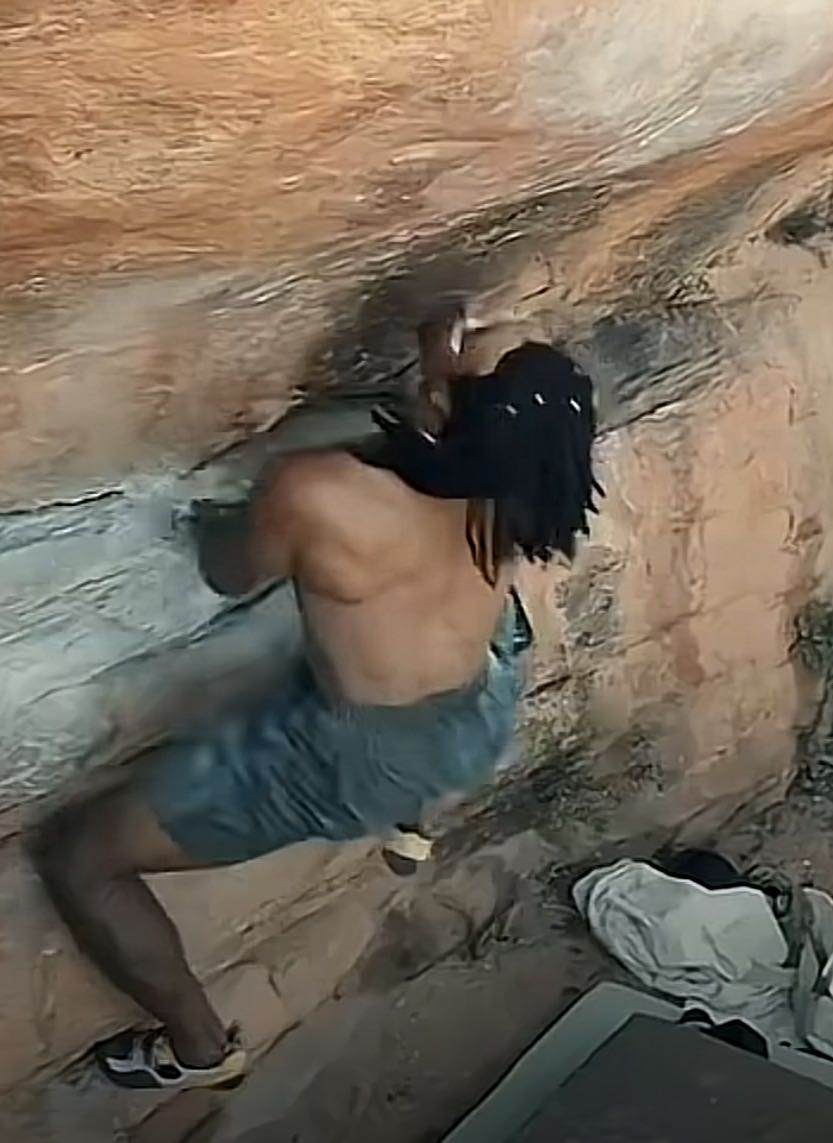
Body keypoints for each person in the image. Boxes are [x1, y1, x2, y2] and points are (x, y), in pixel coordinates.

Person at [29, 314, 602, 1091]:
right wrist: (441, 363)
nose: (479, 331)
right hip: (480, 704)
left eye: (476, 344)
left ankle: (200, 1051)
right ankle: (410, 817)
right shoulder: (529, 471)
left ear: (442, 407)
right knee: (440, 636)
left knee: (80, 858)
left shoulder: (321, 492)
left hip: (359, 758)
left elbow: (228, 571)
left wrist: (245, 516)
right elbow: (472, 411)